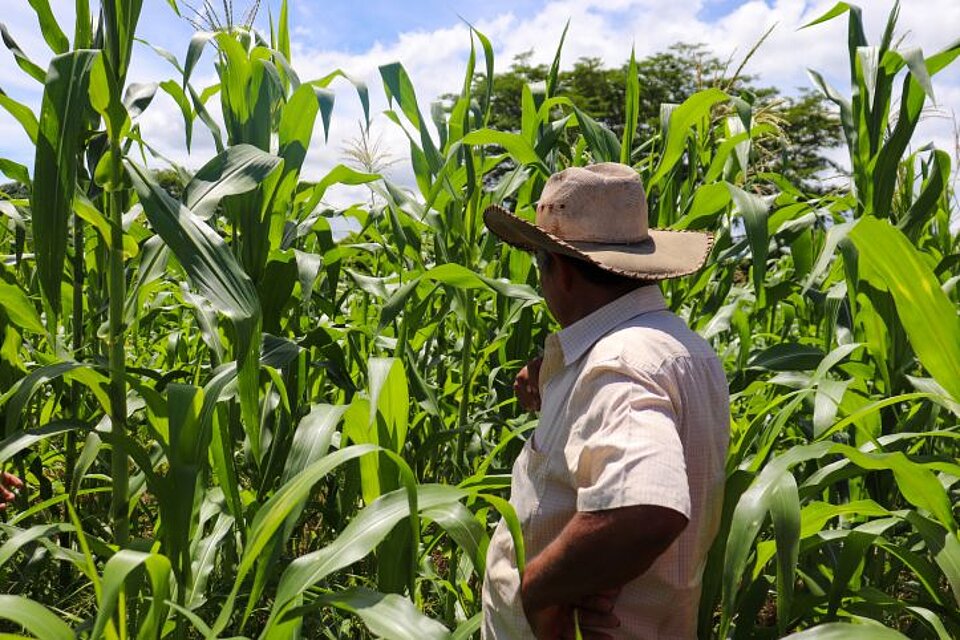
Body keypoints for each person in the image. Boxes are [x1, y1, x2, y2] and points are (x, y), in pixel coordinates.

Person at [481, 163, 730, 639]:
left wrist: (540, 591)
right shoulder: (682, 348)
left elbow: (645, 508)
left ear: (564, 275)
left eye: (541, 264)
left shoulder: (618, 363)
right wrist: (552, 375)